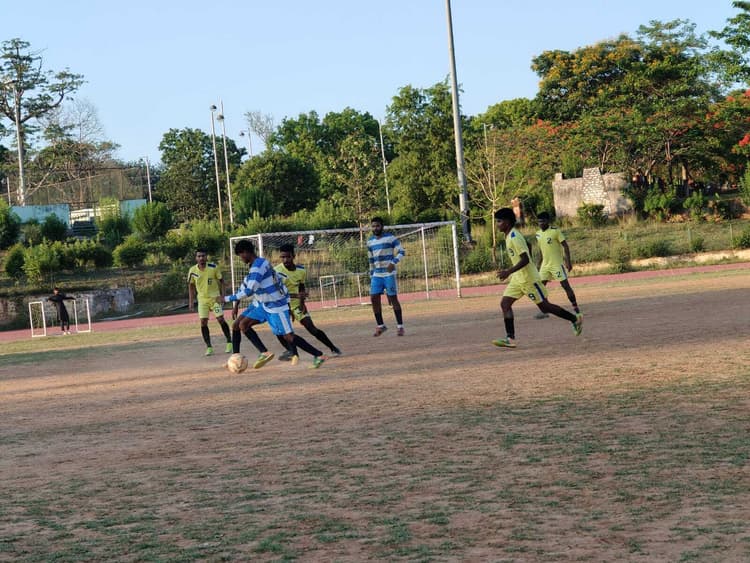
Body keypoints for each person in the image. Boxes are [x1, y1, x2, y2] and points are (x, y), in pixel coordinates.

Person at [216, 239, 328, 369]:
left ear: (246, 252)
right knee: (240, 324)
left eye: (241, 256)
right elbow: (258, 284)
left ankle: (319, 355)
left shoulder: (257, 267)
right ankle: (259, 353)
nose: (241, 259)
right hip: (264, 304)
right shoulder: (260, 263)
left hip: (276, 306)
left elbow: (249, 290)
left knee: (288, 336)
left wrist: (226, 299)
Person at [493, 207, 583, 348]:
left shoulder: (514, 237)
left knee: (545, 307)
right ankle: (510, 338)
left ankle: (575, 319)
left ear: (507, 222)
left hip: (529, 279)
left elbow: (525, 259)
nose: (497, 224)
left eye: (499, 221)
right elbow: (528, 245)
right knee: (505, 304)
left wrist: (508, 271)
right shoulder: (509, 235)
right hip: (518, 278)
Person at [274, 243, 342, 359]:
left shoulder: (301, 270)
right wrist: (294, 299)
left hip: (297, 305)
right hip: (283, 305)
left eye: (288, 257)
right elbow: (277, 293)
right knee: (282, 331)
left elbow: (301, 287)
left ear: (293, 256)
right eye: (282, 257)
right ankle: (290, 352)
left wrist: (302, 303)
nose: (285, 260)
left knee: (312, 328)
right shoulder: (276, 271)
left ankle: (333, 348)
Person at [533, 212, 581, 319]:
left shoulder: (555, 231)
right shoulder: (538, 234)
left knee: (565, 286)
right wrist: (538, 264)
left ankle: (576, 309)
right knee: (540, 288)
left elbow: (565, 246)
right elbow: (541, 250)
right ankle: (544, 311)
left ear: (547, 221)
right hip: (545, 266)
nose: (541, 223)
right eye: (539, 221)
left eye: (543, 221)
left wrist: (568, 261)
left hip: (557, 265)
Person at [187, 249, 233, 356]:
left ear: (206, 257)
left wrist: (223, 296)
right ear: (196, 258)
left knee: (220, 319)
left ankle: (229, 342)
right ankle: (209, 347)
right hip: (202, 300)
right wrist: (191, 301)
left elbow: (222, 282)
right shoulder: (192, 270)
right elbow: (191, 286)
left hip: (215, 299)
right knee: (203, 322)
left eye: (203, 256)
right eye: (199, 256)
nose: (201, 258)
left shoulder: (213, 267)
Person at [367, 217, 406, 336]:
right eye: (373, 226)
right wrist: (371, 274)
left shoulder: (390, 238)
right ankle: (381, 326)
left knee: (393, 298)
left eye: (377, 226)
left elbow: (402, 251)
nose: (375, 228)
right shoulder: (370, 241)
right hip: (377, 274)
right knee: (373, 298)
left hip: (389, 273)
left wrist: (393, 263)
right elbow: (371, 259)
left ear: (382, 227)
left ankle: (400, 327)